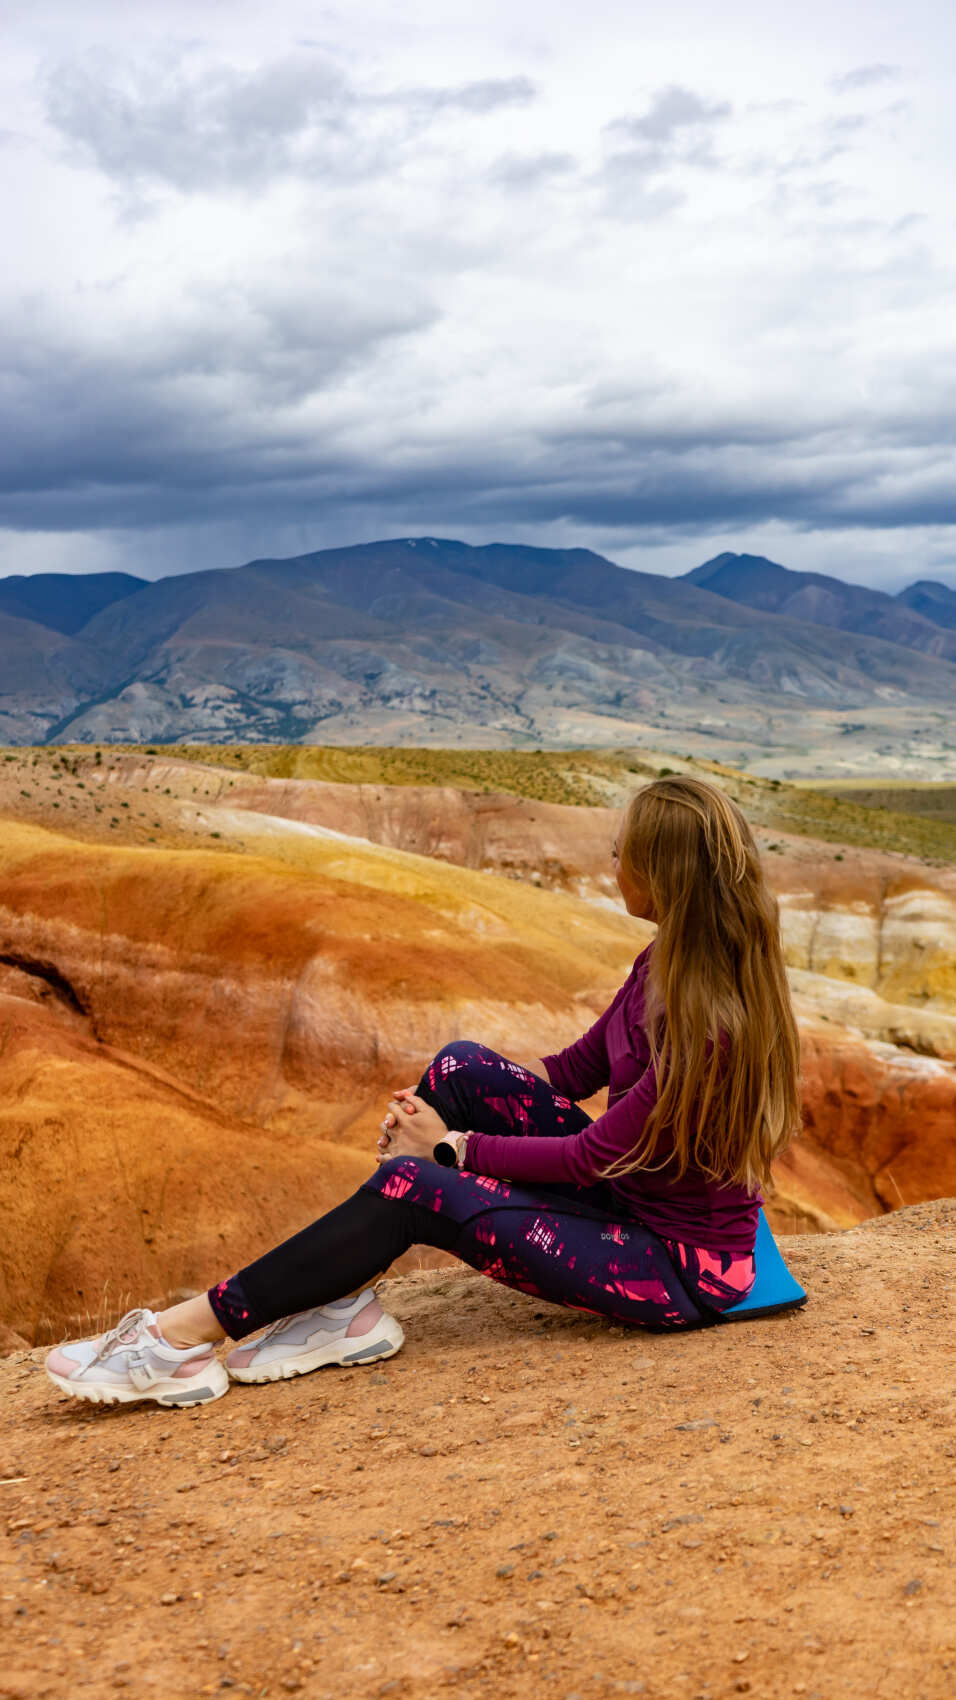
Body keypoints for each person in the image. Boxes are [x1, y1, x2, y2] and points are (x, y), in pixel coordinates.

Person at [45, 776, 802, 1409]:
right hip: (633, 1201)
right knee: (461, 1064)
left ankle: (183, 1339)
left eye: (622, 854)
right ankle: (334, 1306)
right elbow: (574, 1072)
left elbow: (592, 1155)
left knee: (415, 1186)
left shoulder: (709, 1028)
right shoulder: (667, 957)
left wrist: (446, 1147)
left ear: (662, 873)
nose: (612, 864)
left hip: (677, 1266)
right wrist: (434, 1104)